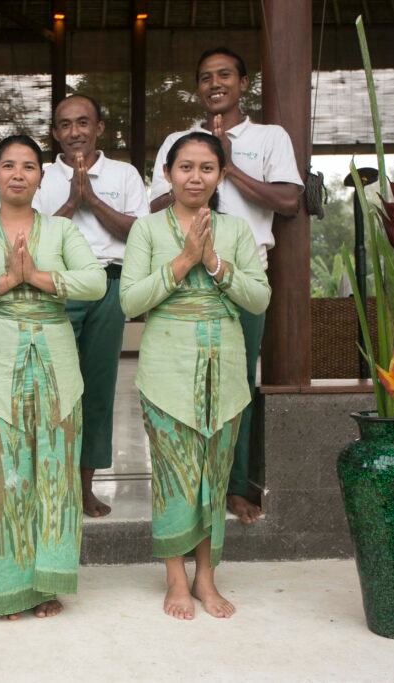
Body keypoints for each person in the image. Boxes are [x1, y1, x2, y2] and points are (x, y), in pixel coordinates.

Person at [0, 135, 106, 619]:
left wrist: (37, 277)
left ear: (41, 176)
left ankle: (46, 585)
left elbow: (95, 282)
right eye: (8, 165)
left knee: (54, 474)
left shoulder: (61, 230)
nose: (18, 174)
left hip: (56, 362)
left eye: (28, 166)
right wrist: (7, 281)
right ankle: (5, 588)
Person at [149, 47, 302, 525]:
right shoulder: (178, 141)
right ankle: (186, 483)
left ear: (244, 82)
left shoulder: (269, 137)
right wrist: (199, 175)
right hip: (181, 274)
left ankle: (234, 486)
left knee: (237, 386)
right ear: (197, 87)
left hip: (242, 277)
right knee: (180, 384)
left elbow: (289, 201)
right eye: (205, 77)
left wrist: (229, 166)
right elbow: (154, 206)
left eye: (224, 75)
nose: (215, 84)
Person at [122, 132, 270, 620]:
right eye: (185, 167)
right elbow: (129, 301)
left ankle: (206, 577)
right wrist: (185, 260)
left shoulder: (237, 231)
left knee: (213, 474)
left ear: (221, 175)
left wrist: (214, 263)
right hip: (166, 366)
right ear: (168, 174)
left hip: (224, 367)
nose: (195, 177)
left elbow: (258, 298)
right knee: (174, 475)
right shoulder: (146, 230)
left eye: (207, 168)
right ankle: (175, 578)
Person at [33, 94, 149, 518]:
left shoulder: (124, 174)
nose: (74, 132)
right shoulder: (41, 177)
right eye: (65, 125)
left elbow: (139, 233)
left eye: (83, 123)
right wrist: (71, 202)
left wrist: (93, 201)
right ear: (54, 133)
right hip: (56, 286)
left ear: (99, 127)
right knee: (53, 388)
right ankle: (52, 484)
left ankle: (85, 487)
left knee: (98, 389)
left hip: (108, 284)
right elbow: (33, 239)